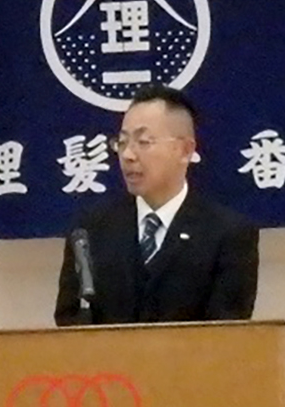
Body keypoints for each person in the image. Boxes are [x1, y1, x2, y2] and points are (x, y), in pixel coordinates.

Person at [55, 84, 259, 326]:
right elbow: (70, 321)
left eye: (143, 142)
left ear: (185, 150)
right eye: (122, 142)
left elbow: (228, 332)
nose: (128, 155)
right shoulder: (90, 231)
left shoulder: (229, 235)